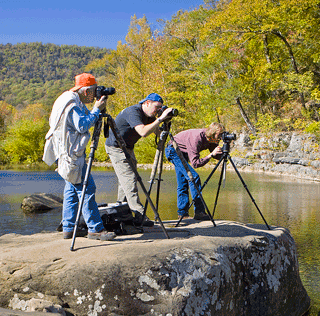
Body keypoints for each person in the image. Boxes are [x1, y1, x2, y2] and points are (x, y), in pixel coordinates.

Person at [43, 73, 116, 241]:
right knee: (87, 189)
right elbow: (82, 125)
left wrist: (96, 110)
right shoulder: (72, 104)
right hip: (73, 156)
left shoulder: (67, 99)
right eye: (93, 91)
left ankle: (68, 228)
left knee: (71, 190)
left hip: (67, 154)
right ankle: (95, 229)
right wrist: (97, 109)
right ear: (86, 91)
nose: (94, 95)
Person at [105, 93, 173, 226]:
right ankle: (139, 214)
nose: (158, 111)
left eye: (160, 109)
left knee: (126, 181)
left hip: (127, 148)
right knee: (130, 178)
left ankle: (122, 212)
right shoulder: (133, 112)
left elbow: (158, 132)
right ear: (147, 103)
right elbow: (143, 132)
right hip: (116, 147)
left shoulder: (149, 116)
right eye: (156, 107)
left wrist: (166, 122)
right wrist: (160, 118)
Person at [165, 122, 225, 220]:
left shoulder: (212, 139)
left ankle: (182, 214)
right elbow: (195, 163)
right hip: (173, 151)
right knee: (193, 177)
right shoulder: (196, 138)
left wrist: (225, 148)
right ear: (213, 133)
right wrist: (210, 155)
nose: (220, 138)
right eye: (219, 135)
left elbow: (218, 156)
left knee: (183, 182)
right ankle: (199, 212)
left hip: (182, 152)